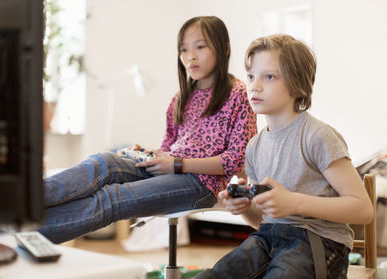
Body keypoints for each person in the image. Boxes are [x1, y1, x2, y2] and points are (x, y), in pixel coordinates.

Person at [39, 16, 257, 244]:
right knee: (103, 163)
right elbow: (169, 147)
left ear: (224, 49)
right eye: (183, 49)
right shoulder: (182, 97)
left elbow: (237, 161)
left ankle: (30, 233)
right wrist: (152, 155)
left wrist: (177, 163)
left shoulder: (238, 94)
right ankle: (20, 205)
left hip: (202, 184)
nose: (190, 56)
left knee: (112, 198)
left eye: (200, 47)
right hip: (174, 170)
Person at [195, 34, 374, 279]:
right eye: (251, 76)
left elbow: (363, 209)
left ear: (297, 84)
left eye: (268, 77)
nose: (254, 86)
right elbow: (264, 221)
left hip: (319, 242)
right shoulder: (254, 147)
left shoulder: (318, 136)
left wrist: (295, 202)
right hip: (268, 237)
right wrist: (246, 208)